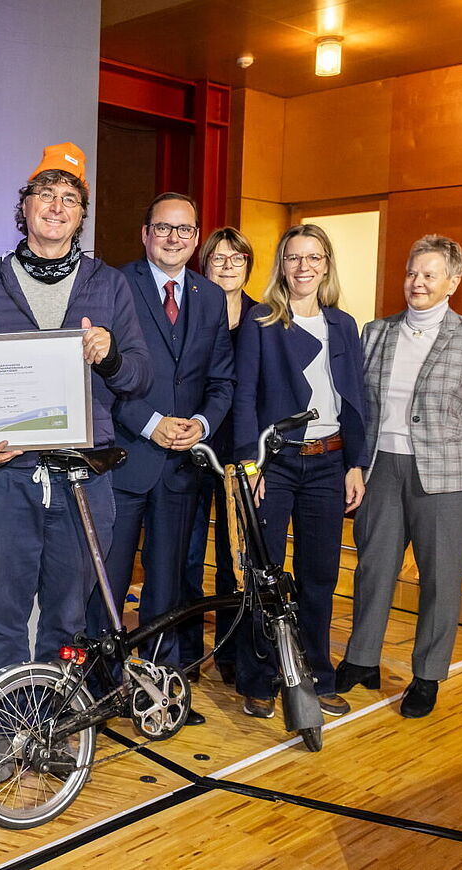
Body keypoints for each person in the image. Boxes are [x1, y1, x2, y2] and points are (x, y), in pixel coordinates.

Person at [0, 142, 150, 679]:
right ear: (24, 206)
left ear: (81, 215)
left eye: (70, 197)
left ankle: (54, 721)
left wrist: (109, 353)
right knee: (3, 615)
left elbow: (139, 375)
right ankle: (7, 727)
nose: (56, 205)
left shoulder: (109, 284)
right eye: (45, 193)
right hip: (6, 475)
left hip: (81, 477)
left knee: (66, 619)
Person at [335, 235, 462, 718]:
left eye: (430, 274)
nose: (417, 283)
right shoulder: (376, 332)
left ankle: (427, 676)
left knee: (440, 580)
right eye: (412, 273)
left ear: (453, 281)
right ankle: (362, 659)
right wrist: (358, 463)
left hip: (449, 479)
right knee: (373, 569)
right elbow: (361, 406)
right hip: (382, 466)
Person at [92, 193, 233, 726]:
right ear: (145, 234)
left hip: (180, 467)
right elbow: (107, 373)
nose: (174, 238)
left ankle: (160, 688)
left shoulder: (210, 297)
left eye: (185, 230)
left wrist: (200, 425)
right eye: (164, 228)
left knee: (168, 584)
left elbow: (221, 380)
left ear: (196, 239)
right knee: (106, 582)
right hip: (129, 456)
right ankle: (102, 688)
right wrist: (153, 423)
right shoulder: (116, 285)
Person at [232, 223, 367, 721]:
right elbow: (245, 396)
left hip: (330, 464)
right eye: (294, 258)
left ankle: (316, 675)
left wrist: (356, 462)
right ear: (282, 266)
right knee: (265, 576)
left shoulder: (345, 325)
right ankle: (260, 678)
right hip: (277, 464)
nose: (304, 267)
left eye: (314, 258)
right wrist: (253, 463)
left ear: (326, 265)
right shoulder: (263, 322)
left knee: (320, 575)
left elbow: (357, 400)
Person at [180, 227, 258, 684]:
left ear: (248, 267)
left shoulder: (264, 317)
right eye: (219, 259)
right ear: (203, 264)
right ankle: (188, 653)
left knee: (237, 560)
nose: (227, 266)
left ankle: (233, 655)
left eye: (237, 259)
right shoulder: (189, 309)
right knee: (187, 557)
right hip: (193, 448)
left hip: (241, 454)